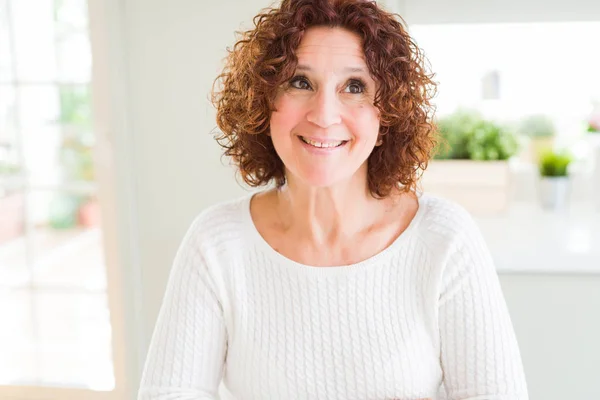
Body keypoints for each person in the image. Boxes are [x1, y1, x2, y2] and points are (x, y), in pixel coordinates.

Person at [138, 0, 529, 399]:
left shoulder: (444, 239)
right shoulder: (216, 243)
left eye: (354, 87)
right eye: (300, 82)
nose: (324, 114)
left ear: (385, 119)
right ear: (264, 104)